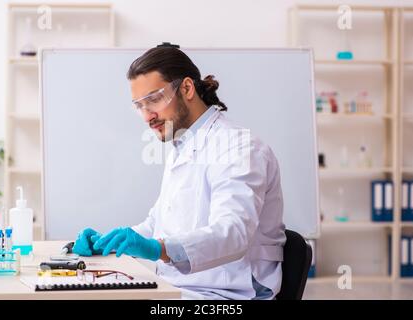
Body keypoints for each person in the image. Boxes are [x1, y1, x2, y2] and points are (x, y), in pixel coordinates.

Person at [73, 46, 286, 300]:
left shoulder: (238, 146)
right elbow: (158, 224)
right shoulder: (182, 146)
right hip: (181, 288)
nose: (147, 116)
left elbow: (233, 232)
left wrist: (157, 249)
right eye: (139, 106)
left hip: (229, 295)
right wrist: (107, 244)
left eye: (154, 99)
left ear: (186, 88)